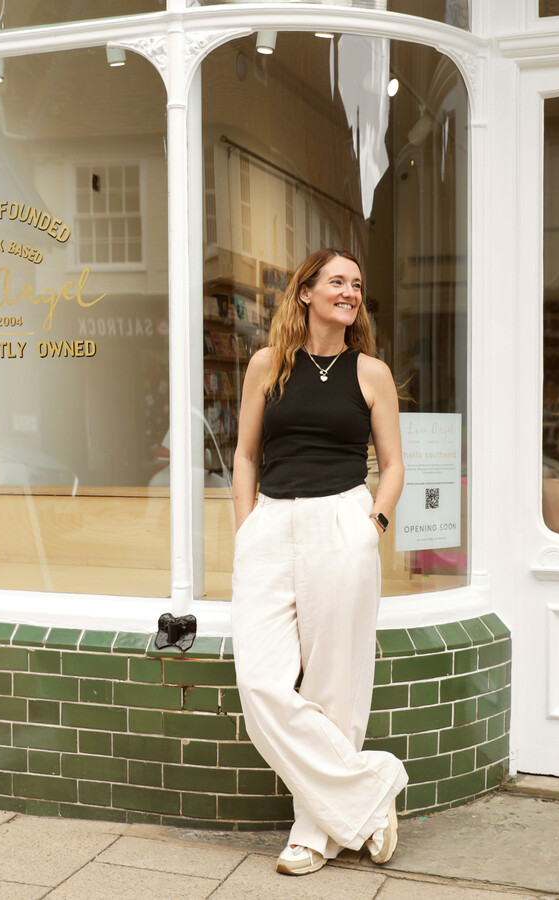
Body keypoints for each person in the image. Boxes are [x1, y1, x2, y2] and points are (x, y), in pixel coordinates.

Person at [232, 248, 408, 876]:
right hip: (272, 522)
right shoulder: (266, 364)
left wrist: (373, 527)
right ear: (305, 291)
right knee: (259, 682)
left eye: (357, 284)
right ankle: (372, 785)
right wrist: (247, 526)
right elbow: (246, 457)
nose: (350, 291)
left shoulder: (372, 373)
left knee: (336, 685)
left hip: (343, 519)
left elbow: (393, 466)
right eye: (337, 281)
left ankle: (313, 833)